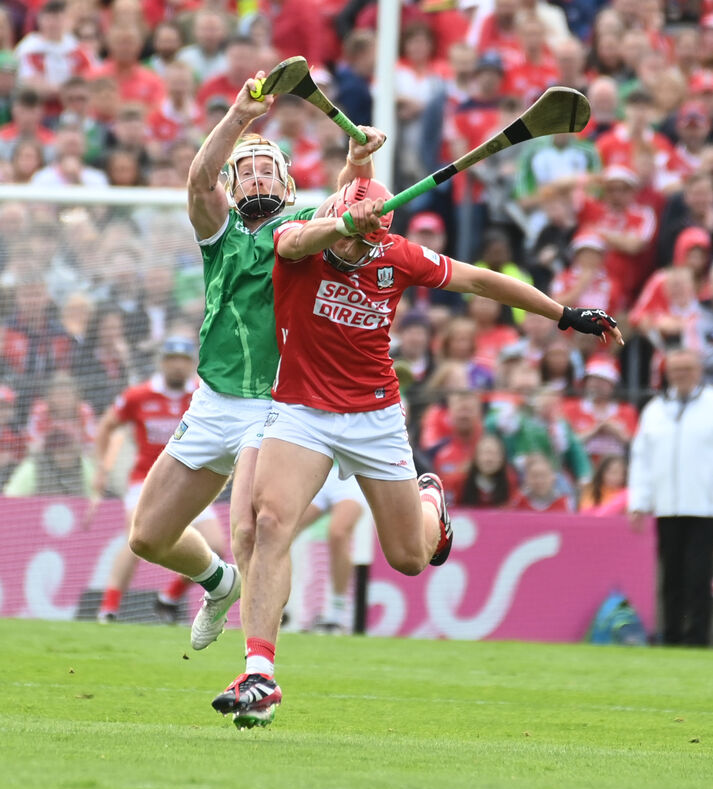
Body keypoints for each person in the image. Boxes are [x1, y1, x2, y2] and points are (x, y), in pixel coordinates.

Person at [210, 177, 624, 729]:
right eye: (353, 237)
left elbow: (479, 280)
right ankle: (259, 673)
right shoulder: (296, 234)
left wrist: (564, 313)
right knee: (269, 524)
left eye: (368, 241)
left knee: (409, 557)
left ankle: (431, 504)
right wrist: (344, 226)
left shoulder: (396, 253)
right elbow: (296, 245)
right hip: (301, 410)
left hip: (374, 417)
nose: (358, 251)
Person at [126, 71, 385, 656]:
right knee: (148, 536)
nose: (257, 175)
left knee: (249, 529)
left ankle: (256, 668)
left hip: (275, 405)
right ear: (234, 188)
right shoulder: (220, 233)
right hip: (213, 401)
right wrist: (241, 115)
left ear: (289, 185)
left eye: (269, 168)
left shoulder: (300, 225)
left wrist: (359, 165)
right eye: (245, 171)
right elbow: (198, 179)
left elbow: (348, 211)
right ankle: (220, 585)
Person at [94, 337, 226, 623]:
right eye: (171, 359)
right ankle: (108, 610)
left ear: (193, 364)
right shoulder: (138, 395)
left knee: (216, 545)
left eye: (184, 360)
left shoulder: (204, 394)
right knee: (135, 539)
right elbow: (106, 425)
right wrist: (102, 470)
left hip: (191, 480)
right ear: (162, 362)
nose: (178, 366)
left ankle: (169, 598)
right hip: (145, 479)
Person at [628, 348, 713, 646]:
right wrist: (639, 501)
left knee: (698, 577)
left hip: (705, 507)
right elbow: (642, 458)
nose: (681, 375)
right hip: (667, 506)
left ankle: (698, 637)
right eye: (676, 370)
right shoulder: (655, 410)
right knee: (671, 576)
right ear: (667, 373)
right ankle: (672, 636)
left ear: (698, 371)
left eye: (687, 369)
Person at [297, 464, 367, 634]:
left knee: (338, 533)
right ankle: (276, 606)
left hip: (351, 474)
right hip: (317, 470)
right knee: (281, 531)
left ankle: (336, 615)